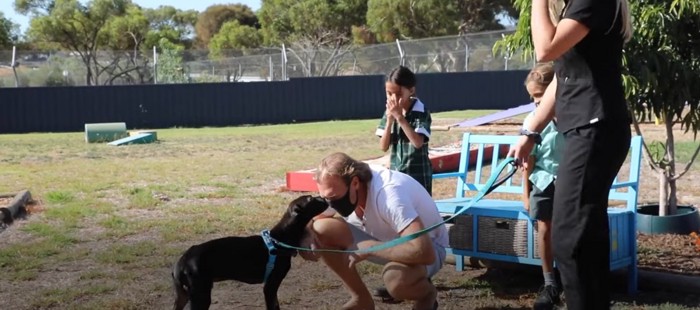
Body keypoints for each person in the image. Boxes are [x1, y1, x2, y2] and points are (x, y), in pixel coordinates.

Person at [508, 0, 633, 309]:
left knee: (569, 236)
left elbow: (545, 51)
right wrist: (531, 130)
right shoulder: (576, 8)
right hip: (588, 128)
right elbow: (562, 77)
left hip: (595, 127)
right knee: (584, 236)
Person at [301, 152, 448, 310]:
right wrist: (307, 235)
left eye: (333, 197)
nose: (330, 203)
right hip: (383, 241)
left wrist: (371, 247)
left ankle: (427, 295)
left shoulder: (390, 196)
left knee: (396, 280)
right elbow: (312, 219)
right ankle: (361, 300)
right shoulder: (339, 189)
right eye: (325, 198)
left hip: (428, 248)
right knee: (321, 229)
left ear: (355, 182)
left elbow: (424, 252)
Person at [521, 62, 565, 309]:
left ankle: (573, 281)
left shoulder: (570, 118)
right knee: (545, 230)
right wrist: (526, 195)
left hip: (569, 182)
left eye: (539, 96)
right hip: (543, 181)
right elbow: (529, 162)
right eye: (533, 97)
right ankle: (550, 284)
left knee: (569, 233)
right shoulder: (533, 121)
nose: (536, 103)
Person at [376, 65, 433, 195]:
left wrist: (400, 118)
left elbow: (418, 143)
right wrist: (390, 121)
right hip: (396, 174)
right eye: (389, 94)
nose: (393, 99)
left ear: (411, 90)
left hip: (418, 175)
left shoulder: (421, 111)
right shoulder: (389, 112)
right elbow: (383, 147)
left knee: (420, 210)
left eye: (398, 94)